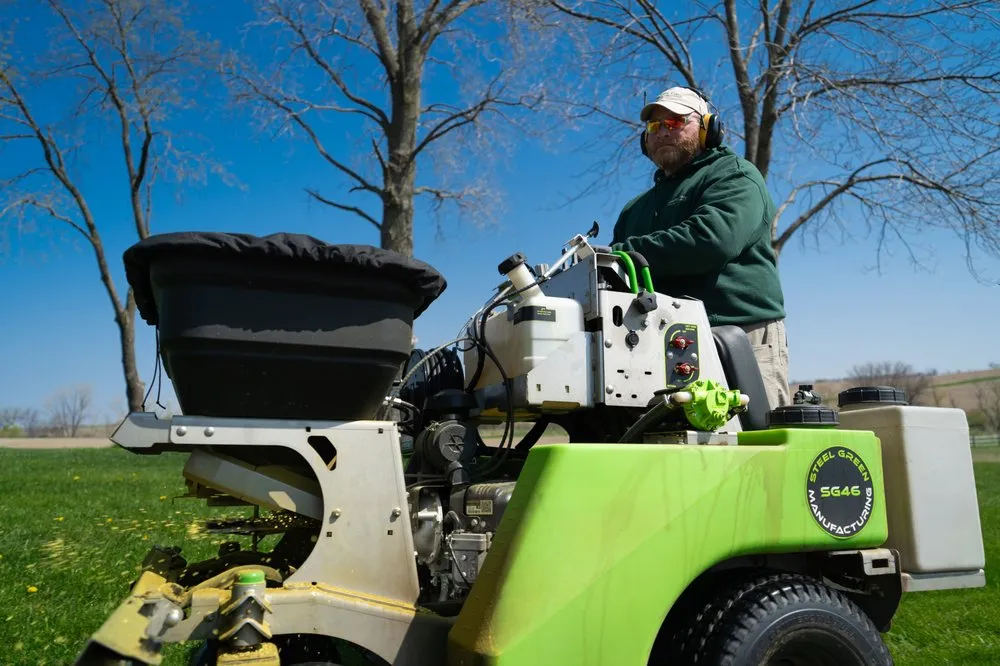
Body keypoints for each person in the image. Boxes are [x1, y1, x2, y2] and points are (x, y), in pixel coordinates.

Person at [610, 86, 791, 408]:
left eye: (676, 122)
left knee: (754, 444)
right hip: (661, 341)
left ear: (709, 128)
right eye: (655, 126)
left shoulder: (734, 175)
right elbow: (616, 276)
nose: (663, 131)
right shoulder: (634, 210)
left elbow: (711, 240)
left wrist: (626, 254)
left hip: (739, 335)